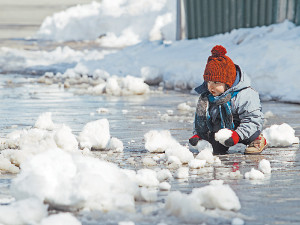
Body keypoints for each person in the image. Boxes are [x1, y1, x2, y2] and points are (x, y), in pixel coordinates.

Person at [189, 45, 267, 155]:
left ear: (228, 83)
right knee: (215, 150)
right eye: (209, 82)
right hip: (222, 131)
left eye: (216, 83)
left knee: (252, 134)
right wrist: (200, 135)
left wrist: (237, 135)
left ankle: (257, 140)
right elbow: (203, 119)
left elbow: (252, 119)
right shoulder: (208, 97)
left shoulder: (245, 95)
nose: (211, 87)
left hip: (242, 129)